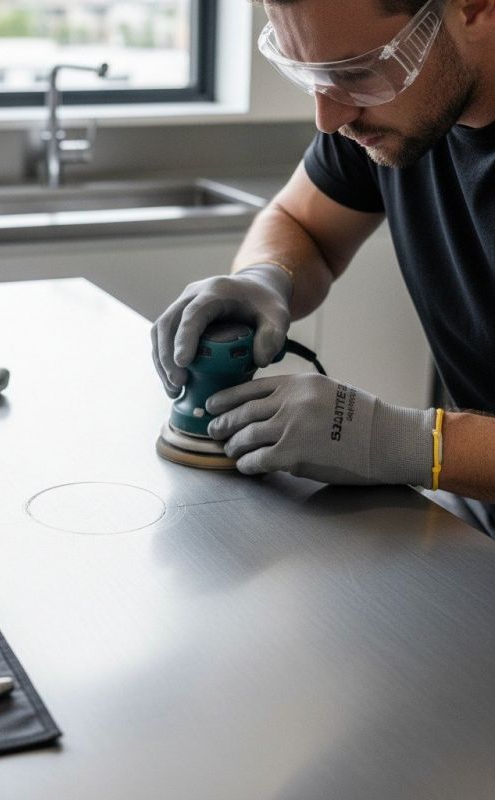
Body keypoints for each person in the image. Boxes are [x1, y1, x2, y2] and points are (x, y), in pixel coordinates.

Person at [151, 0, 495, 530]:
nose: (329, 118)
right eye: (308, 74)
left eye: (357, 72)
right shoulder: (393, 108)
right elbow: (301, 224)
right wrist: (265, 277)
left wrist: (405, 443)